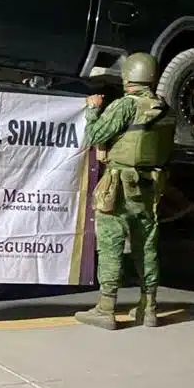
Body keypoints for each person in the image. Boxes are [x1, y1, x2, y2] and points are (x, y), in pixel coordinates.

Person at [74, 51, 177, 331]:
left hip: (118, 185)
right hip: (150, 187)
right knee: (147, 246)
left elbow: (94, 136)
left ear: (128, 76)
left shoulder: (125, 106)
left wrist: (93, 109)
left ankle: (106, 308)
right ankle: (150, 307)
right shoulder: (166, 109)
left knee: (111, 243)